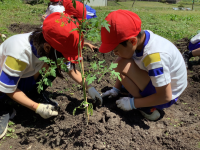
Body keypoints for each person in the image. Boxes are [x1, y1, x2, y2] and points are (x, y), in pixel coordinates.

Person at [0, 12, 102, 139]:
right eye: (64, 58)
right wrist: (36, 108)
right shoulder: (19, 53)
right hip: (4, 82)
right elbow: (8, 87)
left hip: (25, 76)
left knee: (54, 65)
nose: (66, 62)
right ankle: (3, 109)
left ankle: (34, 94)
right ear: (48, 48)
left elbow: (71, 70)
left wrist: (89, 87)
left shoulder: (49, 45)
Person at [99, 10, 187, 121]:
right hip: (160, 84)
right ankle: (137, 93)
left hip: (166, 95)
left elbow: (165, 97)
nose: (114, 53)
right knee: (119, 63)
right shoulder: (141, 38)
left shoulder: (155, 58)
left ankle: (147, 107)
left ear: (132, 41)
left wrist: (133, 103)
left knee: (121, 64)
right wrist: (116, 89)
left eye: (116, 50)